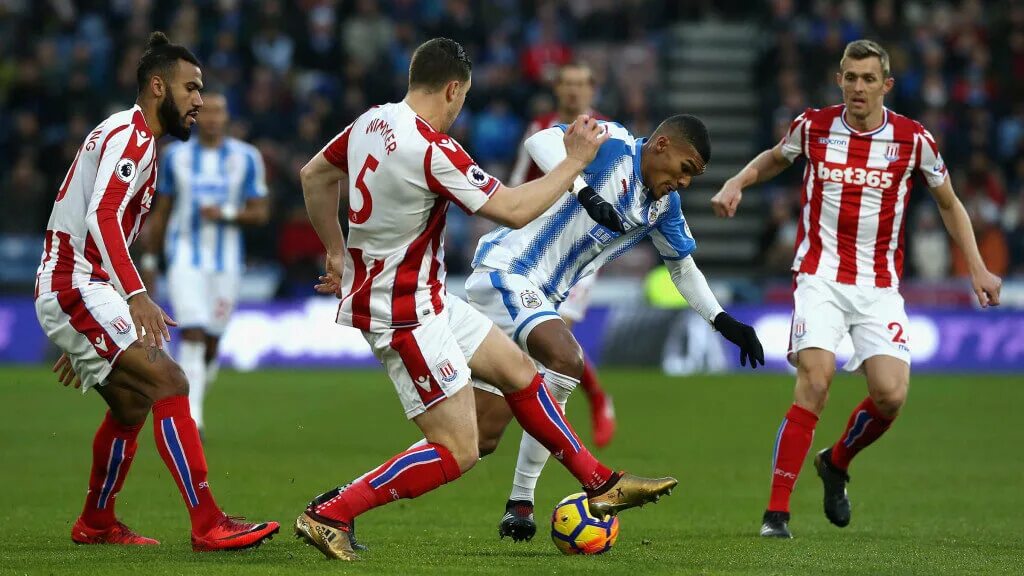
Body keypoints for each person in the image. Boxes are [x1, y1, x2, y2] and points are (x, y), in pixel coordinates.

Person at [294, 37, 677, 561]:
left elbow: (314, 175)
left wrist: (336, 252)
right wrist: (575, 162)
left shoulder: (372, 121)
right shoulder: (432, 149)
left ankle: (600, 481)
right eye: (464, 98)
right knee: (458, 449)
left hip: (428, 296)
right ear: (453, 89)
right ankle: (332, 512)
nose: (461, 108)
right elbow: (516, 210)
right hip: (402, 311)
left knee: (521, 372)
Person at [711, 39, 1003, 539]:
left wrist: (976, 266)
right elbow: (776, 158)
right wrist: (738, 181)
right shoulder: (814, 126)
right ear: (839, 80)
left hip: (879, 286)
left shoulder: (914, 140)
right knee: (816, 379)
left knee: (890, 396)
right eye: (850, 77)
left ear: (886, 85)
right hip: (819, 276)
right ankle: (776, 513)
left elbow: (950, 204)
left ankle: (837, 461)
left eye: (869, 79)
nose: (858, 87)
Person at [468, 115, 765, 542]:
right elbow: (540, 141)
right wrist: (583, 189)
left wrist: (723, 321)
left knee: (474, 438)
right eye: (685, 169)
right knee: (567, 360)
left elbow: (682, 269)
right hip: (508, 271)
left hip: (539, 296)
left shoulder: (663, 207)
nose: (684, 183)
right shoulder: (615, 146)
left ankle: (345, 502)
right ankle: (529, 498)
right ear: (662, 144)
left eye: (693, 178)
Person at [36, 32, 279, 550]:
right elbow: (101, 215)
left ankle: (96, 522)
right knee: (170, 380)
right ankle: (209, 523)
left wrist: (86, 332)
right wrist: (134, 295)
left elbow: (97, 220)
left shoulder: (135, 138)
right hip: (77, 285)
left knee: (131, 404)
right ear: (156, 87)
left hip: (81, 292)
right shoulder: (132, 138)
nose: (198, 101)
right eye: (191, 89)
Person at [142, 92, 270, 439]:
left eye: (219, 111)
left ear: (226, 117)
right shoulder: (176, 157)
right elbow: (163, 210)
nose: (212, 118)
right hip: (184, 256)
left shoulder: (246, 158)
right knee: (193, 331)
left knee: (211, 341)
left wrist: (225, 214)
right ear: (197, 118)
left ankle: (193, 389)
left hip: (227, 262)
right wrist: (151, 260)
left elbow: (261, 213)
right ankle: (191, 414)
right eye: (207, 112)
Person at [508, 62, 616, 450]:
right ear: (558, 90)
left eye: (580, 85)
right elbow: (519, 182)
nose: (573, 92)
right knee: (543, 338)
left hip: (583, 247)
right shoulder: (540, 129)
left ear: (592, 90)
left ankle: (593, 399)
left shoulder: (608, 133)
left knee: (559, 331)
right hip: (541, 243)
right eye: (566, 84)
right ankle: (584, 399)